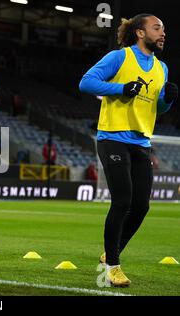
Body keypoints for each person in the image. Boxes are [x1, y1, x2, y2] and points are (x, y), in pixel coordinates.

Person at [79, 14, 178, 287]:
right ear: (139, 33)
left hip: (141, 143)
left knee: (142, 206)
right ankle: (112, 266)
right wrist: (120, 88)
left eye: (164, 28)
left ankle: (110, 252)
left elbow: (159, 108)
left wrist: (168, 100)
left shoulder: (162, 68)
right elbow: (85, 82)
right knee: (122, 202)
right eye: (157, 27)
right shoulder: (119, 57)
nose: (162, 33)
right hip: (112, 137)